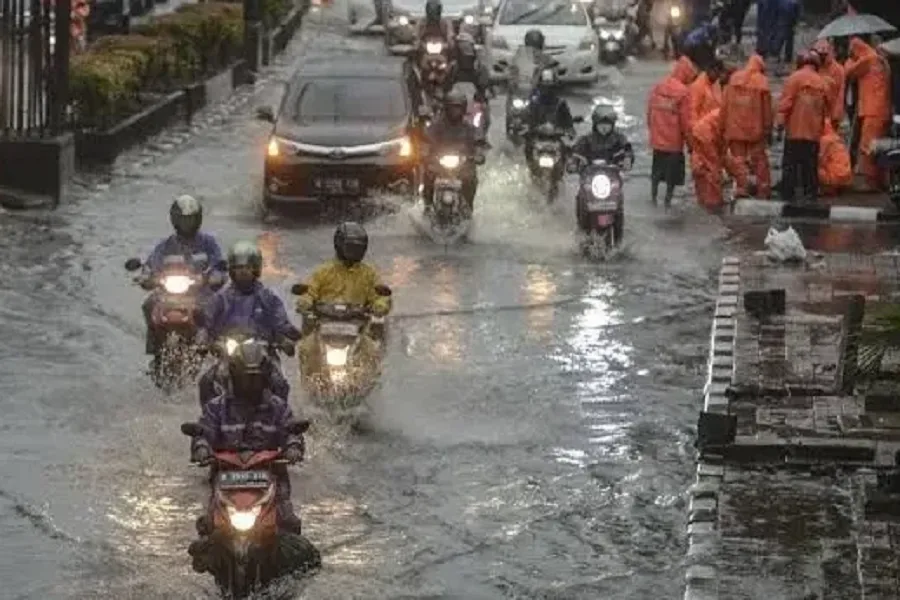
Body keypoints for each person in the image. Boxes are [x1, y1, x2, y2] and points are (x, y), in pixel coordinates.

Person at [186, 339, 306, 574]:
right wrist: (201, 448)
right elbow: (203, 432)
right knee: (207, 527)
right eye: (245, 377)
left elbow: (290, 432)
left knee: (289, 524)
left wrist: (293, 448)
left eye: (255, 378)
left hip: (271, 482)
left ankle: (286, 574)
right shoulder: (216, 407)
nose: (250, 383)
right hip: (226, 481)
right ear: (233, 376)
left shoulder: (278, 407)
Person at [197, 241, 300, 402]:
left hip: (263, 354)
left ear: (256, 269)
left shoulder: (267, 297)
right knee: (207, 382)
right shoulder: (220, 298)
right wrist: (204, 341)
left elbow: (280, 322)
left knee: (279, 384)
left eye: (247, 267)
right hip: (228, 354)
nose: (243, 271)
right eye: (238, 267)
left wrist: (287, 336)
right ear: (231, 270)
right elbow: (206, 323)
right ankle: (209, 422)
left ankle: (282, 421)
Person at [296, 223, 393, 377]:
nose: (355, 252)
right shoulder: (323, 272)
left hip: (357, 326)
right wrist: (305, 301)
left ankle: (366, 382)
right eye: (351, 248)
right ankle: (309, 382)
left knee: (372, 352)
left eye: (358, 248)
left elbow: (380, 294)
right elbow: (309, 290)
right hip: (325, 324)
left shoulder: (369, 274)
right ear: (339, 245)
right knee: (306, 349)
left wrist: (380, 305)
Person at [139, 195, 225, 355]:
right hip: (169, 296)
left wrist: (214, 276)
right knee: (148, 304)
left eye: (191, 220)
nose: (187, 224)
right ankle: (154, 344)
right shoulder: (165, 246)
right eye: (183, 220)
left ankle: (216, 346)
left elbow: (219, 264)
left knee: (219, 307)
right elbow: (151, 265)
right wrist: (147, 277)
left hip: (201, 295)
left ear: (198, 219)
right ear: (175, 220)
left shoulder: (209, 243)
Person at [776, 50, 831, 203]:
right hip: (813, 133)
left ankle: (788, 194)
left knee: (790, 166)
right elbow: (827, 108)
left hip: (794, 131)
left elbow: (785, 105)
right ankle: (810, 194)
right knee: (810, 166)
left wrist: (780, 125)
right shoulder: (822, 82)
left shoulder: (794, 79)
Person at [420, 88, 484, 212]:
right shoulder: (437, 125)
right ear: (446, 108)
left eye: (458, 108)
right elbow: (426, 139)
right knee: (428, 175)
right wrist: (424, 152)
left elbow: (479, 140)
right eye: (453, 108)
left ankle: (468, 207)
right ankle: (427, 205)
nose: (455, 111)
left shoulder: (469, 127)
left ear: (463, 108)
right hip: (439, 163)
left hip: (463, 164)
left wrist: (478, 154)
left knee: (470, 178)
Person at [647, 55, 698, 206]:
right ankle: (667, 202)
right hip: (673, 143)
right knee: (672, 177)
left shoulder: (659, 86)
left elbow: (649, 113)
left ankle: (654, 198)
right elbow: (685, 122)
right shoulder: (683, 92)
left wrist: (653, 132)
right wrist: (690, 145)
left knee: (656, 172)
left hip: (657, 141)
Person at [844, 36, 892, 191]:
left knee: (868, 146)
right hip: (882, 109)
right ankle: (881, 179)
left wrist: (849, 60)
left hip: (872, 110)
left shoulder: (867, 59)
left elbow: (849, 71)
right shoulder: (880, 61)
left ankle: (870, 182)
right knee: (880, 147)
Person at [721, 53, 772, 198]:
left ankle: (742, 188)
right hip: (755, 130)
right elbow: (767, 110)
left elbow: (725, 105)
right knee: (759, 160)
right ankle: (763, 190)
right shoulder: (762, 82)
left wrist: (722, 126)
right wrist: (768, 129)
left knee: (738, 161)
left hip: (735, 129)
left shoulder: (734, 79)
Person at [691, 107, 746, 211]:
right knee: (713, 168)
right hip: (707, 136)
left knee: (704, 167)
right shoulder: (736, 122)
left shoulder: (732, 115)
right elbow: (732, 160)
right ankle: (713, 203)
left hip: (702, 133)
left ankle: (704, 201)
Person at [524, 68, 576, 166]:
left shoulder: (561, 104)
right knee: (528, 147)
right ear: (540, 86)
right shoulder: (534, 104)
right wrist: (528, 129)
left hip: (556, 139)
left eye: (550, 86)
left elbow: (568, 120)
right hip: (538, 138)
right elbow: (528, 118)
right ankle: (530, 168)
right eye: (545, 86)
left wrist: (569, 129)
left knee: (566, 150)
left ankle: (563, 168)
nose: (547, 89)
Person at [571, 102, 635, 168]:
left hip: (614, 172)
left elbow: (628, 150)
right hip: (589, 172)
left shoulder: (620, 139)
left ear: (612, 125)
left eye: (607, 124)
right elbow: (576, 152)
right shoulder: (586, 139)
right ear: (595, 125)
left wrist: (628, 159)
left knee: (625, 177)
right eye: (601, 124)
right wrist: (573, 162)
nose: (604, 127)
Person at [813, 39, 846, 129]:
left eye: (824, 54)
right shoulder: (813, 66)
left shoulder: (838, 69)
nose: (821, 57)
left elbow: (840, 94)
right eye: (819, 54)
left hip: (830, 110)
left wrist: (837, 114)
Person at [454, 31, 492, 103]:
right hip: (457, 97)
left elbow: (484, 80)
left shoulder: (479, 62)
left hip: (475, 96)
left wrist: (485, 91)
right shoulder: (454, 62)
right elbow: (448, 81)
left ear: (470, 44)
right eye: (460, 42)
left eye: (464, 42)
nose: (462, 45)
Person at [818, 118, 853, 195]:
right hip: (846, 176)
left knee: (811, 165)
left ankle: (828, 188)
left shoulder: (825, 140)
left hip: (835, 175)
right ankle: (836, 186)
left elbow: (820, 160)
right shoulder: (836, 138)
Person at [689, 59, 723, 124]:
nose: (716, 75)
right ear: (709, 69)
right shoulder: (698, 85)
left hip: (713, 123)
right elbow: (692, 109)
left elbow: (719, 103)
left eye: (718, 73)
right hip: (701, 125)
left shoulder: (716, 83)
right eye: (715, 71)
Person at [770, 0, 800, 64]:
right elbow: (797, 14)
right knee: (789, 40)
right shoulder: (795, 2)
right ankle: (787, 57)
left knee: (779, 38)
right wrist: (795, 22)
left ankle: (776, 55)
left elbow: (775, 11)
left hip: (781, 20)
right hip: (789, 21)